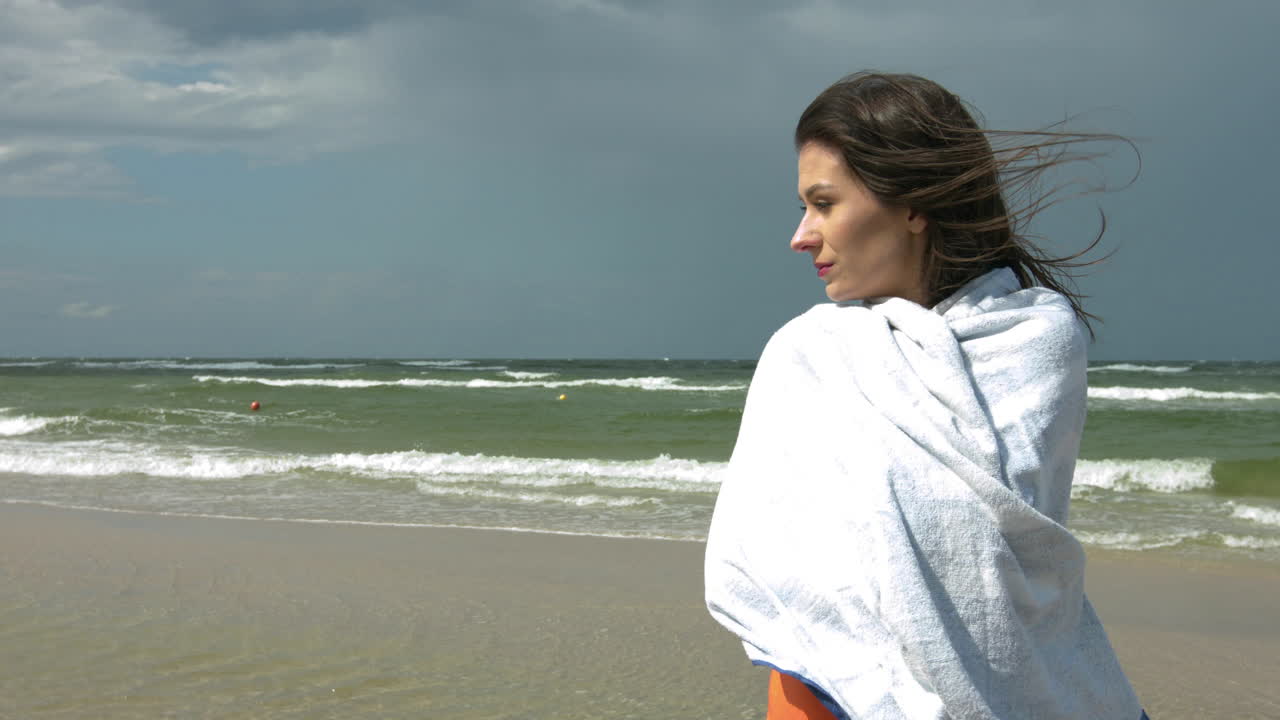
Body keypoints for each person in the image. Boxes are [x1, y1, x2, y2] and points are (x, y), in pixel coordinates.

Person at [704, 72, 1147, 719]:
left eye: (824, 204)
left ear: (911, 205)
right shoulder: (809, 353)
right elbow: (788, 577)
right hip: (826, 699)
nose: (801, 236)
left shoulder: (1037, 337)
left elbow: (992, 543)